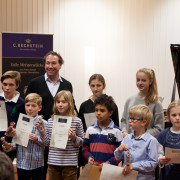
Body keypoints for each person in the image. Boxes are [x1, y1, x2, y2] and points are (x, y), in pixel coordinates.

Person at [25, 51, 76, 179]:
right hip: (39, 134)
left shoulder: (67, 84)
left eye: (54, 63)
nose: (50, 66)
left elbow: (72, 107)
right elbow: (27, 107)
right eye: (47, 63)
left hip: (61, 135)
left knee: (57, 168)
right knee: (40, 169)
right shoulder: (34, 83)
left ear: (60, 65)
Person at [36, 90, 84, 180]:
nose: (60, 104)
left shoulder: (77, 121)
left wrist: (74, 138)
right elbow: (47, 143)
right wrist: (42, 132)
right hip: (53, 163)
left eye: (63, 102)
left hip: (70, 164)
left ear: (70, 103)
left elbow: (82, 142)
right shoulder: (51, 121)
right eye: (58, 102)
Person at [2, 93, 47, 180]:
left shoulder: (44, 123)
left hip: (37, 164)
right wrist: (11, 146)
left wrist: (37, 139)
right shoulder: (21, 121)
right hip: (21, 164)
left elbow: (47, 143)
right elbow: (18, 141)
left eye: (33, 106)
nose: (30, 108)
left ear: (39, 108)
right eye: (28, 105)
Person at [114, 104, 159, 180]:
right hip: (126, 177)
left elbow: (152, 163)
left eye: (133, 119)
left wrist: (133, 166)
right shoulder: (127, 138)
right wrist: (119, 150)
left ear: (143, 122)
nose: (130, 121)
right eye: (129, 118)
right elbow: (118, 157)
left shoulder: (151, 140)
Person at [121, 68, 164, 138]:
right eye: (138, 80)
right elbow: (123, 120)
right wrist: (124, 131)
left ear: (150, 81)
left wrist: (141, 135)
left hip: (146, 144)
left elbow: (159, 128)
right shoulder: (129, 100)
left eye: (143, 80)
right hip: (129, 142)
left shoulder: (156, 103)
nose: (140, 83)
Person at [82, 94, 123, 166]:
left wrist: (109, 162)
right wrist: (89, 157)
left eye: (102, 111)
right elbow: (84, 148)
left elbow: (120, 153)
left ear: (110, 112)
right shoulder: (90, 129)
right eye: (96, 110)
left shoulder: (117, 131)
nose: (98, 113)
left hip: (109, 171)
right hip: (93, 169)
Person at [0, 71, 25, 159]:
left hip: (9, 145)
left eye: (11, 85)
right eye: (5, 84)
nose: (7, 88)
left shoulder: (22, 104)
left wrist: (15, 131)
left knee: (5, 171)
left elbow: (23, 128)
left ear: (17, 86)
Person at [158, 100, 180, 180]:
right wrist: (161, 160)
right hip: (167, 175)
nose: (177, 118)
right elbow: (158, 154)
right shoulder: (163, 134)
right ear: (168, 116)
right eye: (174, 115)